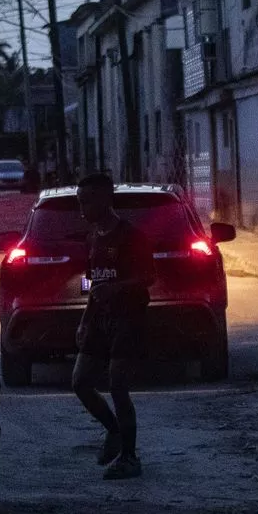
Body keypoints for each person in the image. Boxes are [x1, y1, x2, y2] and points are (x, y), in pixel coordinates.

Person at [72, 173, 155, 480]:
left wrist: (117, 288)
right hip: (99, 319)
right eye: (80, 201)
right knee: (80, 382)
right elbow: (91, 281)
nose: (83, 208)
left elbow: (149, 276)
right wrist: (85, 317)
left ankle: (130, 458)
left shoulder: (131, 235)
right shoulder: (92, 237)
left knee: (118, 384)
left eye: (88, 201)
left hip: (128, 317)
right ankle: (114, 431)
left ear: (106, 200)